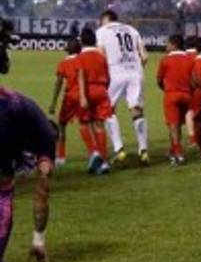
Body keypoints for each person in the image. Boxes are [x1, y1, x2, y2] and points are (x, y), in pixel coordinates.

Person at [0, 88, 56, 262]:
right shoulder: (22, 106)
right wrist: (38, 239)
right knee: (4, 193)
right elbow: (42, 189)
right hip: (12, 132)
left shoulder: (19, 106)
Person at [96, 9, 149, 165]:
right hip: (135, 72)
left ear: (105, 19)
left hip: (114, 72)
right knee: (137, 110)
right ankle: (143, 150)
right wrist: (137, 70)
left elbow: (100, 56)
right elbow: (145, 56)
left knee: (108, 110)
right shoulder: (132, 30)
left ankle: (119, 149)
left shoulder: (102, 31)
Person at [76, 28, 112, 175]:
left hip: (89, 90)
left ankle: (94, 152)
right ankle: (103, 161)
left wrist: (83, 96)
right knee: (99, 125)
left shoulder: (80, 57)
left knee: (83, 123)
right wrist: (103, 90)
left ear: (82, 41)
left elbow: (81, 76)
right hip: (102, 90)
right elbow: (108, 77)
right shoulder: (101, 56)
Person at [156, 35, 194, 165]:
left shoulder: (165, 60)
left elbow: (159, 80)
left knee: (173, 125)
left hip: (172, 95)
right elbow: (193, 78)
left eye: (168, 44)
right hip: (187, 95)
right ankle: (173, 150)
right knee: (178, 125)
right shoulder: (190, 59)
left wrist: (165, 89)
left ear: (174, 45)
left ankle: (178, 153)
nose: (166, 46)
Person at [47, 39, 82, 165]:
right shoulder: (82, 60)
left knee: (62, 125)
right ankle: (96, 152)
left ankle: (61, 156)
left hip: (71, 98)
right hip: (85, 96)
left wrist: (53, 103)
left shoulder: (64, 63)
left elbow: (59, 83)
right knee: (88, 124)